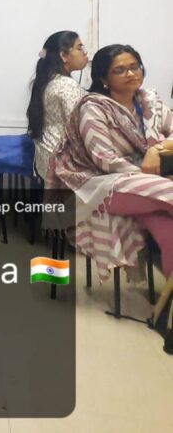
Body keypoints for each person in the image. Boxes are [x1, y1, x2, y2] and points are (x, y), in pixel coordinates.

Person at [52, 45, 173, 291]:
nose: (131, 74)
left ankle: (166, 305)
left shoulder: (150, 101)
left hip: (147, 183)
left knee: (168, 230)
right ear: (103, 78)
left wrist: (155, 150)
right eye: (120, 70)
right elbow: (105, 159)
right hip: (103, 184)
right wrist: (152, 173)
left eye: (135, 67)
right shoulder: (94, 107)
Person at [26, 31, 88, 196]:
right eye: (79, 47)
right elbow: (78, 128)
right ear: (63, 55)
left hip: (46, 155)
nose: (85, 52)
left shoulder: (49, 80)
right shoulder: (67, 85)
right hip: (63, 161)